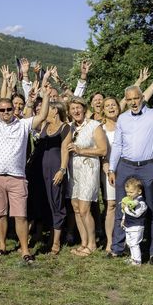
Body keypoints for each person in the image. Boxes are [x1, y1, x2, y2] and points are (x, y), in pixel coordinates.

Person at [0, 69, 50, 264]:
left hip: (17, 177)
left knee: (20, 216)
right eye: (2, 110)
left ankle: (25, 249)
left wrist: (46, 95)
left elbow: (42, 116)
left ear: (15, 109)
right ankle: (2, 246)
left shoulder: (24, 124)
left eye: (9, 109)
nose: (6, 112)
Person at [109, 86, 153, 262]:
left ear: (142, 97)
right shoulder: (122, 118)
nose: (133, 102)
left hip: (148, 166)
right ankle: (117, 248)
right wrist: (112, 168)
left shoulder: (152, 115)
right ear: (126, 101)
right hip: (125, 166)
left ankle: (151, 251)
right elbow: (118, 145)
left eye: (136, 98)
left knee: (150, 208)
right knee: (122, 207)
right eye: (129, 100)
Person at [64, 96, 107, 256]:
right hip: (73, 172)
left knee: (84, 209)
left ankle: (92, 244)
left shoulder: (94, 126)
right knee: (76, 208)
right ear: (69, 112)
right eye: (72, 108)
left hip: (89, 170)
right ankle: (84, 243)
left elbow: (103, 150)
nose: (76, 111)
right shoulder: (69, 127)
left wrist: (81, 151)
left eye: (78, 108)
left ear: (84, 108)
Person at [33, 101, 70, 255]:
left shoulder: (65, 127)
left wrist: (62, 169)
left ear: (55, 110)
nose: (43, 111)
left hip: (55, 170)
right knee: (42, 203)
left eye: (47, 109)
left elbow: (65, 150)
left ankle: (56, 241)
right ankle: (41, 235)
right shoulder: (43, 126)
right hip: (39, 171)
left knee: (56, 203)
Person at [100, 96, 120, 253]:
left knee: (127, 205)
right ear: (103, 110)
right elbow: (103, 156)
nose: (111, 107)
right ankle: (110, 241)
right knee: (111, 205)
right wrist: (109, 172)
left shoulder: (126, 125)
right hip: (109, 171)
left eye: (114, 104)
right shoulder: (101, 129)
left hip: (128, 169)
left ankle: (126, 240)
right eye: (108, 106)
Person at [120, 177, 148, 266]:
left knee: (134, 244)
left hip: (137, 226)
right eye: (127, 192)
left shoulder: (141, 203)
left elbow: (137, 214)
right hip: (129, 225)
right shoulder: (130, 200)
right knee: (129, 243)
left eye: (131, 192)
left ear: (139, 191)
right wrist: (123, 219)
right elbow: (126, 212)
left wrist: (126, 209)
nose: (128, 194)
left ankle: (137, 261)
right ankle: (133, 258)